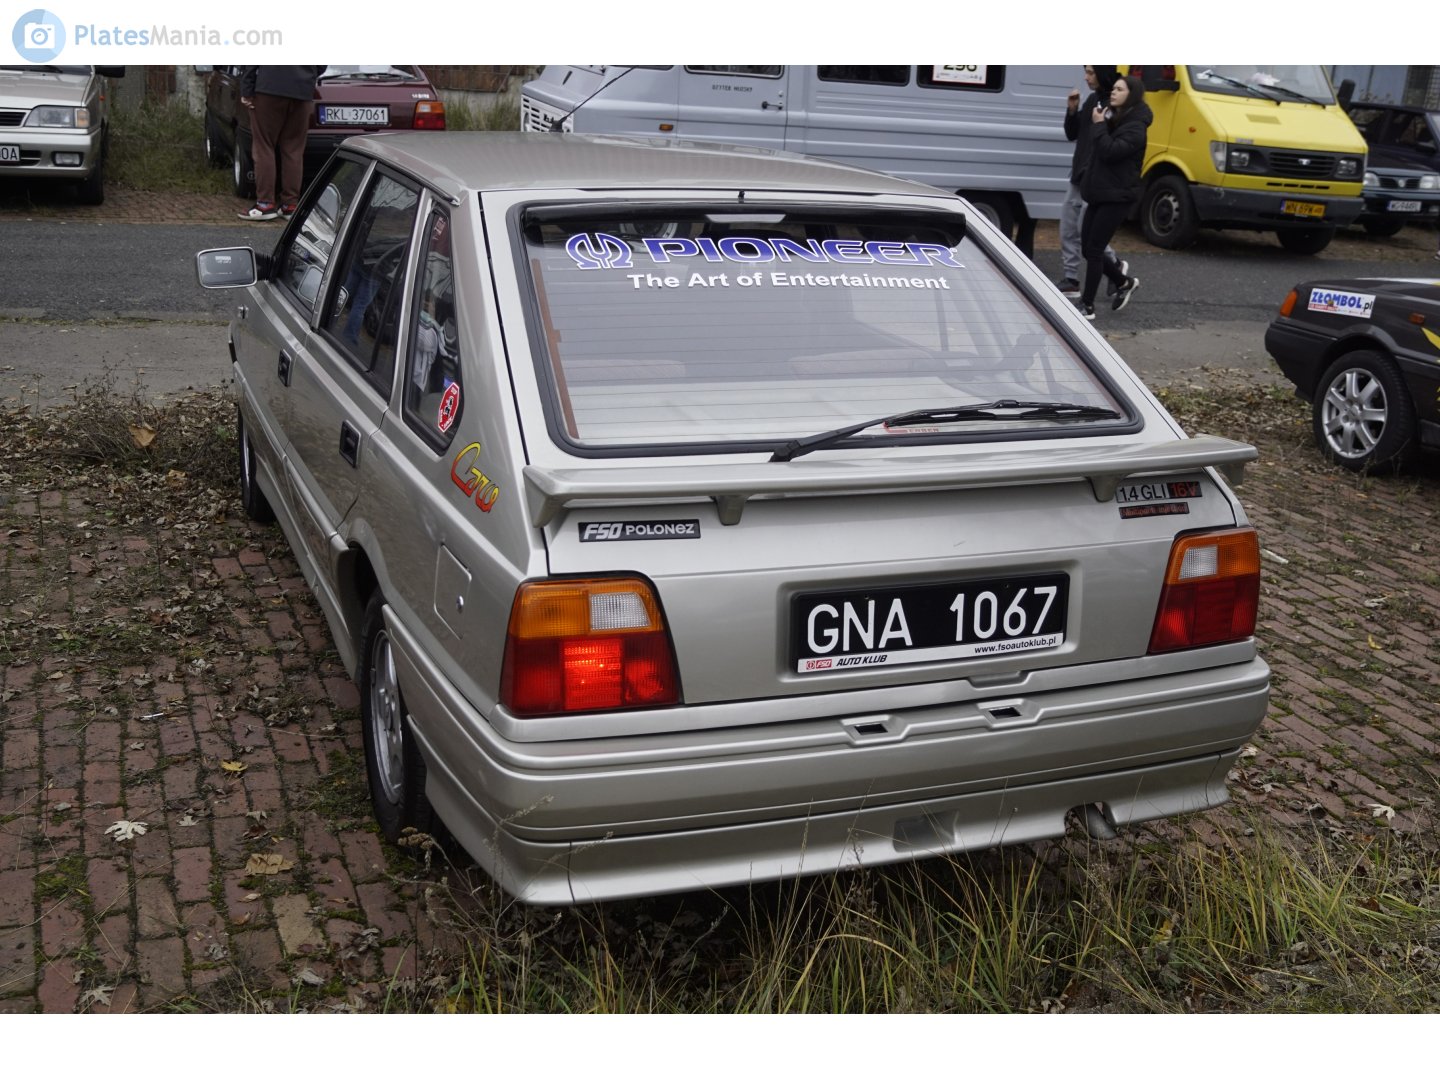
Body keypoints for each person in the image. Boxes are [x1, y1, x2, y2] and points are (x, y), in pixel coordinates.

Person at [1076, 74, 1151, 320]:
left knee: (1095, 250)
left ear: (1132, 94)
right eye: (1114, 89)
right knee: (1088, 249)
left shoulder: (1136, 126)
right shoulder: (1115, 117)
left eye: (1119, 89)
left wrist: (1099, 126)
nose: (1114, 92)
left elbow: (1110, 152)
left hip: (1118, 196)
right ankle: (1123, 282)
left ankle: (1087, 306)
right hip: (1099, 192)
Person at [1058, 65, 1121, 299]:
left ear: (1103, 73)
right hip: (1078, 174)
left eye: (1091, 72)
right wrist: (1072, 111)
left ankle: (1115, 265)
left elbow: (1109, 143)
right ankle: (1071, 279)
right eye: (1086, 71)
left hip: (1097, 179)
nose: (1086, 77)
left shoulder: (1115, 105)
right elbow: (1073, 134)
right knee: (1068, 228)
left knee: (1089, 234)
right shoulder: (1092, 99)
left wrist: (1100, 123)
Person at [237, 66, 324, 221]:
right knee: (294, 150)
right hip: (302, 92)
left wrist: (246, 89)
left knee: (264, 146)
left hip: (269, 88)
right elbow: (322, 65)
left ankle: (265, 204)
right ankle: (290, 205)